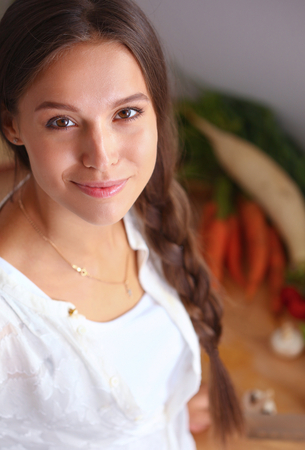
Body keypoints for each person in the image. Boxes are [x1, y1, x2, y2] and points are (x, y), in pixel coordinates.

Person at [0, 0, 242, 448]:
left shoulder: (145, 208)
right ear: (12, 125)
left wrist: (163, 407)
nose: (103, 156)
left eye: (126, 113)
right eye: (61, 121)